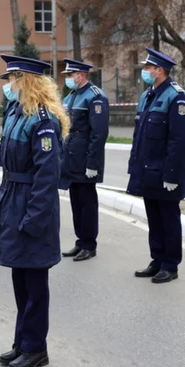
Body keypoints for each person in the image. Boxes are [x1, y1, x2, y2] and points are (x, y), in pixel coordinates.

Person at [0, 54, 69, 367]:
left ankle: (36, 347)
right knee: (20, 276)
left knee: (35, 282)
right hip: (13, 199)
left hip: (30, 203)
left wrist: (34, 219)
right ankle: (22, 340)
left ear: (26, 81)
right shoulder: (17, 114)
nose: (8, 86)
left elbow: (47, 176)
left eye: (12, 79)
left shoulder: (43, 120)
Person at [128, 48, 185, 284]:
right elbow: (140, 135)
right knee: (153, 218)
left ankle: (170, 264)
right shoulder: (147, 95)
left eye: (148, 67)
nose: (144, 71)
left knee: (168, 218)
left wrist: (172, 174)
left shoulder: (177, 98)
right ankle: (157, 259)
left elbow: (178, 141)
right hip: (147, 169)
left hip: (165, 171)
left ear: (160, 70)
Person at [58, 59, 110, 261]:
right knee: (76, 202)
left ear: (81, 75)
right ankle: (80, 241)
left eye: (70, 75)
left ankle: (89, 244)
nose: (68, 79)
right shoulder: (72, 96)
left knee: (87, 203)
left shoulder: (95, 97)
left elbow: (99, 134)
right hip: (71, 158)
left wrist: (92, 164)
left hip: (85, 160)